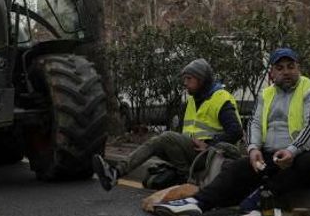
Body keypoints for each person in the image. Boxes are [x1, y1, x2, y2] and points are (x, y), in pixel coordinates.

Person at [153, 47, 310, 216]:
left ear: (299, 68)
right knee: (238, 168)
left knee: (304, 163)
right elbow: (254, 124)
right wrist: (253, 148)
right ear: (272, 73)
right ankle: (197, 203)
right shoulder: (266, 94)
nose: (286, 72)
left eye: (291, 66)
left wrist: (291, 151)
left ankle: (261, 197)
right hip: (275, 157)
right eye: (280, 68)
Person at [92, 58, 243, 191]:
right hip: (194, 153)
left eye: (189, 79)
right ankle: (115, 173)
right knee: (156, 142)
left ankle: (186, 178)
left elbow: (236, 132)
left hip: (213, 156)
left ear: (201, 79)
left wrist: (210, 144)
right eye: (184, 79)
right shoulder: (192, 100)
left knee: (166, 137)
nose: (185, 83)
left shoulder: (221, 98)